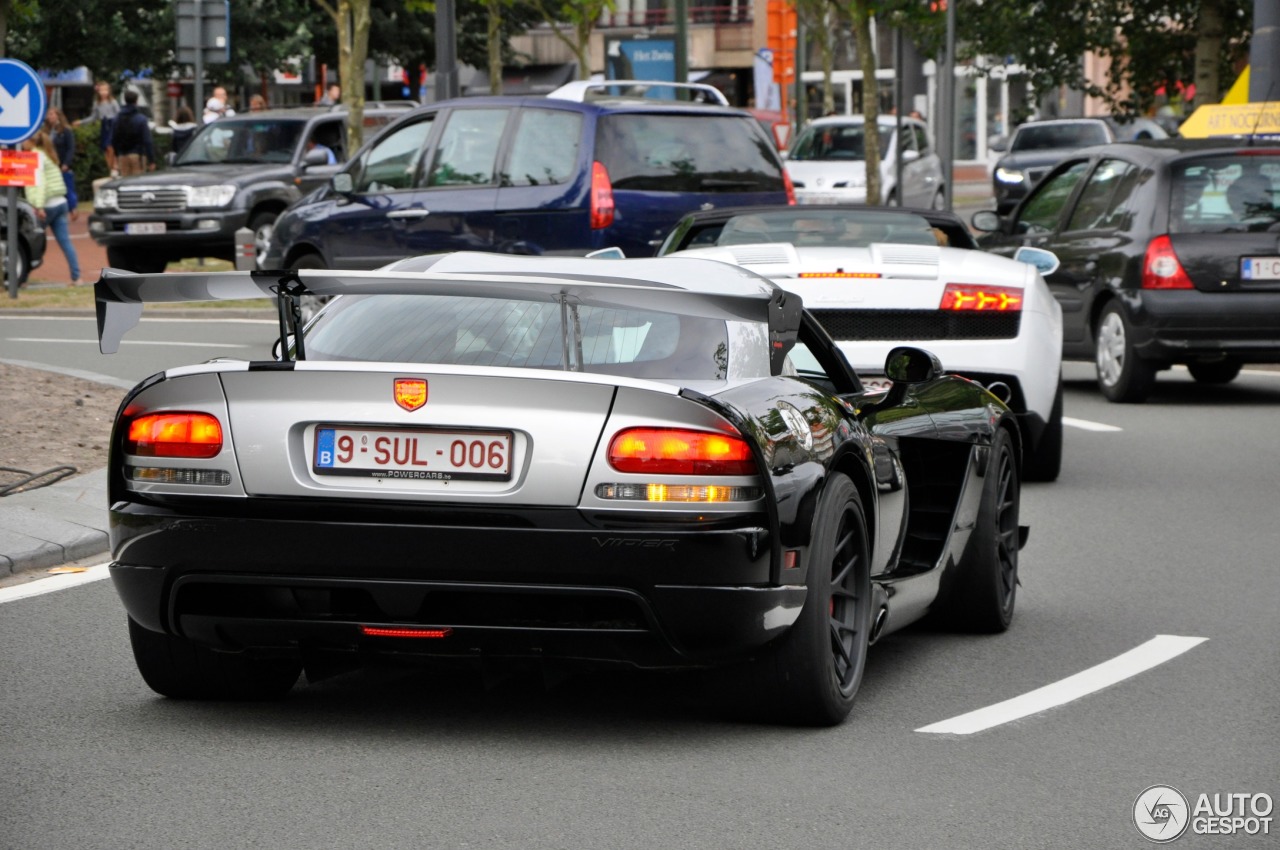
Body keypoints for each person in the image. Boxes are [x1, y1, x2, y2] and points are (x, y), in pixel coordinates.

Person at [22, 131, 81, 285]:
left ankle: (22, 275)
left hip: (47, 205)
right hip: (60, 202)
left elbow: (40, 182)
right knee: (65, 242)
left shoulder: (35, 156)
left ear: (30, 141)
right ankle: (76, 277)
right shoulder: (48, 155)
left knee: (29, 241)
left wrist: (39, 206)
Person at [73, 80, 119, 175]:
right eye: (101, 90)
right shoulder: (97, 103)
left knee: (111, 146)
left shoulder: (113, 102)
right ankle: (110, 168)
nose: (103, 92)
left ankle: (115, 166)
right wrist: (81, 122)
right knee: (105, 148)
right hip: (104, 124)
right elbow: (93, 117)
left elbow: (119, 114)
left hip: (113, 124)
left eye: (105, 90)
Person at [45, 106, 78, 220]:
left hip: (63, 163)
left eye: (52, 114)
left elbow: (71, 148)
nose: (50, 117)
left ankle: (73, 209)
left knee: (67, 187)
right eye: (49, 115)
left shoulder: (66, 130)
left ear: (58, 116)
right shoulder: (48, 131)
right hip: (52, 165)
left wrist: (66, 163)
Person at [112, 89, 155, 176]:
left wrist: (117, 155)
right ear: (136, 101)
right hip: (138, 155)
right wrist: (151, 160)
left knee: (124, 182)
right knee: (138, 183)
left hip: (122, 155)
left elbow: (114, 138)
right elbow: (147, 141)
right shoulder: (141, 119)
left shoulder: (117, 119)